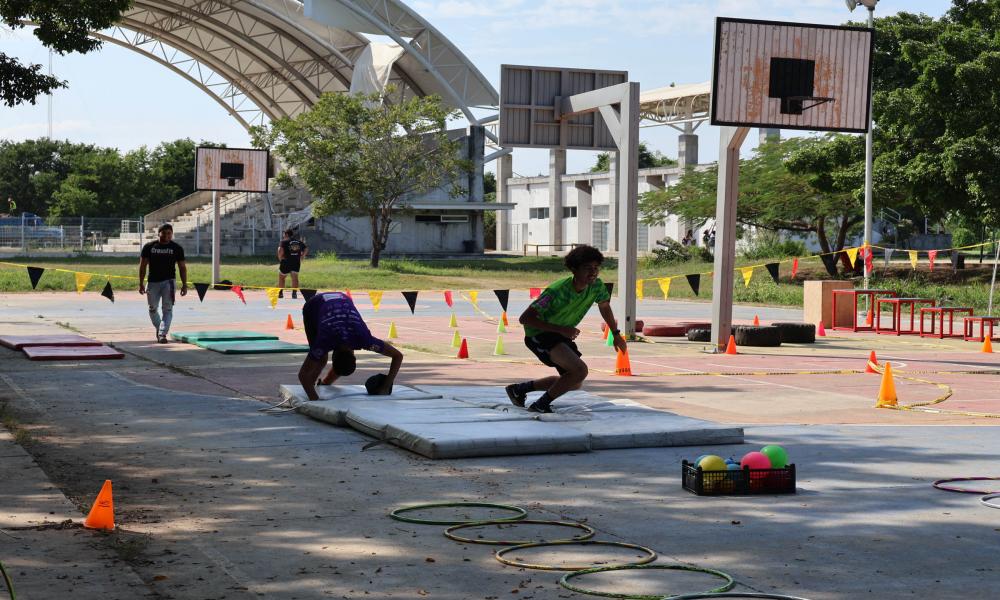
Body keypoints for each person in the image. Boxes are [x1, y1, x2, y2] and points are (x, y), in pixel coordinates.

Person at [505, 245, 627, 413]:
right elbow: (525, 318)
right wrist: (562, 329)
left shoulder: (597, 286)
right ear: (574, 269)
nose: (593, 272)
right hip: (539, 334)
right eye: (587, 268)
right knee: (580, 370)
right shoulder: (557, 291)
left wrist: (616, 334)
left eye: (596, 268)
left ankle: (519, 389)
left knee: (574, 381)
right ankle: (540, 405)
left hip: (559, 334)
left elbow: (604, 306)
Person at [298, 291, 404, 401]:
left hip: (342, 299)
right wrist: (314, 399)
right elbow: (302, 376)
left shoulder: (365, 340)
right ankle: (315, 384)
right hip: (314, 305)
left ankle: (324, 384)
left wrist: (386, 386)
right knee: (321, 359)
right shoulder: (325, 341)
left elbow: (398, 356)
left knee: (321, 358)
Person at [139, 223, 188, 343]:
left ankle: (162, 334)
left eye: (169, 233)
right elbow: (142, 266)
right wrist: (140, 282)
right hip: (152, 282)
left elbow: (182, 267)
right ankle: (160, 327)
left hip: (169, 282)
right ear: (158, 233)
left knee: (168, 309)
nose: (166, 235)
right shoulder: (149, 247)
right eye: (164, 233)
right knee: (152, 309)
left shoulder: (177, 248)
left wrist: (184, 284)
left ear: (172, 234)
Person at [277, 229, 308, 299]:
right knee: (295, 278)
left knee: (282, 278)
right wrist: (302, 256)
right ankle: (294, 293)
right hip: (296, 262)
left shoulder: (284, 242)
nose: (283, 236)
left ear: (287, 234)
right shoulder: (298, 241)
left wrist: (280, 258)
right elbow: (306, 248)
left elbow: (280, 250)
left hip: (286, 261)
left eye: (284, 234)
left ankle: (280, 293)